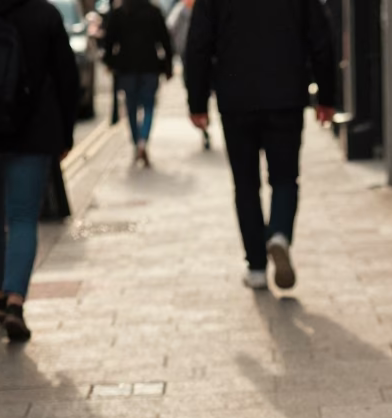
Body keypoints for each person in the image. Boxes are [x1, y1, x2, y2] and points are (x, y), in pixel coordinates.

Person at [185, 0, 336, 291]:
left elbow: (199, 43)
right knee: (285, 178)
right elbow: (321, 38)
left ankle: (256, 267)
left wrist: (197, 102)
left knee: (245, 184)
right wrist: (327, 97)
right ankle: (278, 232)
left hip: (236, 99)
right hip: (286, 95)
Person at [0, 0, 79, 342]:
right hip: (32, 134)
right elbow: (66, 78)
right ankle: (14, 302)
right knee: (23, 217)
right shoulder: (44, 14)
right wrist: (65, 133)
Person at [102, 0, 172, 166]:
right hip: (150, 66)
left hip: (127, 68)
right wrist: (168, 65)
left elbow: (109, 42)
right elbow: (165, 40)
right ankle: (143, 141)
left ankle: (136, 142)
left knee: (131, 107)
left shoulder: (119, 12)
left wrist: (111, 63)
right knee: (148, 105)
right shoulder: (153, 11)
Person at [165, 0, 208, 149]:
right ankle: (205, 124)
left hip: (188, 53)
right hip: (195, 54)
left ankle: (204, 123)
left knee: (193, 84)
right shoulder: (184, 9)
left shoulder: (183, 9)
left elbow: (170, 29)